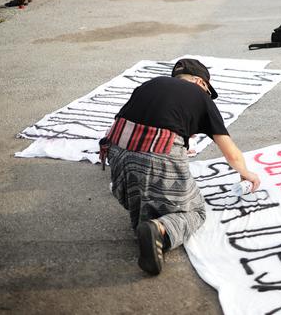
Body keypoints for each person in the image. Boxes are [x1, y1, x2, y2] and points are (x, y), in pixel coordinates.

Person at [99, 58, 260, 275]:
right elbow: (231, 153)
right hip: (156, 156)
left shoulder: (150, 84)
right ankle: (160, 229)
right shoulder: (202, 98)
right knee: (194, 211)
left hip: (117, 157)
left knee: (146, 204)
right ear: (202, 83)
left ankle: (149, 225)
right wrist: (246, 174)